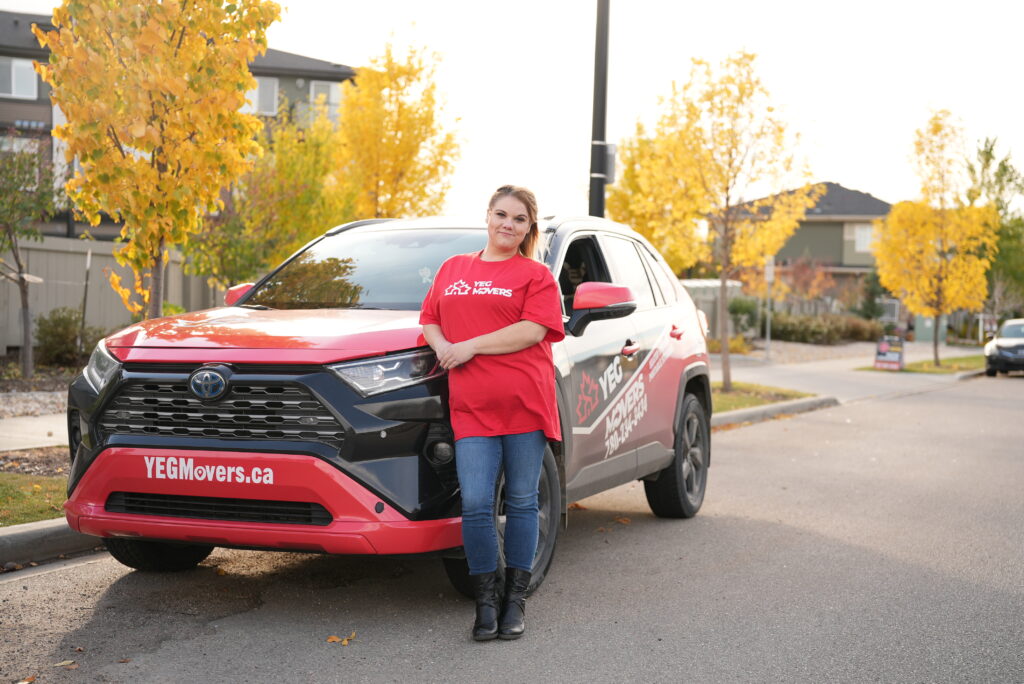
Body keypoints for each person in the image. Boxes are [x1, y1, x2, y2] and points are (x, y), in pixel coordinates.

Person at [420, 185, 565, 641]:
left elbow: (532, 330)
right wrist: (442, 345)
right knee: (477, 504)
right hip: (472, 406)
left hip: (525, 403)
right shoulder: (454, 268)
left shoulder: (536, 275)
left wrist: (469, 346)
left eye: (519, 219)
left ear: (529, 228)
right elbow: (430, 318)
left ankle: (514, 601)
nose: (509, 224)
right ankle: (486, 600)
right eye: (501, 214)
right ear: (487, 217)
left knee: (522, 501)